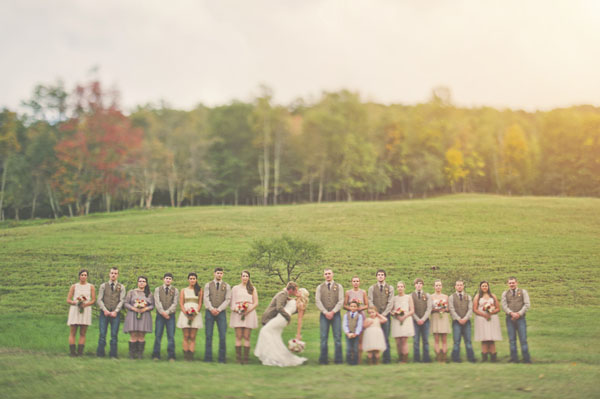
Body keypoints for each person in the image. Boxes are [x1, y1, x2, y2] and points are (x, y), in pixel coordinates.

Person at [254, 286, 309, 367]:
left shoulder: (301, 304)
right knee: (274, 336)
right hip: (280, 317)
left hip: (283, 319)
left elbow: (300, 320)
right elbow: (285, 294)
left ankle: (271, 355)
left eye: (300, 291)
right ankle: (274, 355)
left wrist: (298, 334)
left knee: (265, 331)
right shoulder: (293, 300)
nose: (297, 291)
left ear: (303, 294)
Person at [315, 268, 344, 364]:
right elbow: (317, 301)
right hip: (324, 315)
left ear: (333, 274)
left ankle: (338, 360)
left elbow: (341, 301)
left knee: (337, 337)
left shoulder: (339, 286)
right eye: (326, 274)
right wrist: (325, 312)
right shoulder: (320, 287)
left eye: (329, 273)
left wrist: (333, 312)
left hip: (336, 315)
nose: (327, 275)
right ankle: (323, 360)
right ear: (324, 275)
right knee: (323, 338)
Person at [230, 270, 259, 364]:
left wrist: (247, 311)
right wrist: (238, 310)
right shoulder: (235, 288)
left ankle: (246, 359)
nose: (245, 277)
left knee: (246, 336)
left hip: (249, 313)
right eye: (243, 276)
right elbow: (232, 303)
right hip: (238, 313)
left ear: (249, 277)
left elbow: (256, 303)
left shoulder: (252, 288)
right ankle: (238, 359)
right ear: (241, 277)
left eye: (247, 276)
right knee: (238, 336)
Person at [96, 267, 125, 358]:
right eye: (112, 273)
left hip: (115, 314)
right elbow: (99, 299)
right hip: (104, 313)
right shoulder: (103, 286)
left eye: (115, 273)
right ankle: (100, 354)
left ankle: (113, 354)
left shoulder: (121, 287)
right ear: (109, 274)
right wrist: (104, 310)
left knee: (114, 335)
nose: (113, 275)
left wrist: (116, 311)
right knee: (102, 334)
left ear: (118, 275)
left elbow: (122, 300)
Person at [203, 267, 231, 363]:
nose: (219, 275)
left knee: (222, 336)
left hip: (221, 313)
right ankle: (208, 358)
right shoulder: (208, 285)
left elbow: (227, 299)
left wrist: (218, 309)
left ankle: (222, 359)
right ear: (214, 273)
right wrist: (211, 309)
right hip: (209, 312)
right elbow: (206, 298)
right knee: (208, 335)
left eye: (221, 273)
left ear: (223, 274)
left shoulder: (227, 286)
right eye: (218, 273)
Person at [501, 276, 531, 363]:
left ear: (516, 283)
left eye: (513, 283)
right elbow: (504, 305)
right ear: (508, 284)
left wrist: (519, 313)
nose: (511, 284)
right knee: (512, 340)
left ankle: (526, 359)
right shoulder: (505, 293)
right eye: (510, 283)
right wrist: (511, 313)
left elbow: (527, 304)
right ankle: (514, 359)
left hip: (521, 318)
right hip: (509, 319)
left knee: (523, 339)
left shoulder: (523, 292)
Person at [123, 276, 154, 359]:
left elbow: (152, 305)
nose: (141, 283)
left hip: (144, 316)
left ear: (146, 283)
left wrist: (145, 308)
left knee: (141, 335)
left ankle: (140, 354)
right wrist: (133, 308)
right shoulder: (131, 292)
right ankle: (132, 354)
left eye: (143, 281)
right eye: (140, 281)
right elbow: (126, 303)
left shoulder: (149, 293)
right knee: (133, 334)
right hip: (132, 315)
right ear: (137, 282)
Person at [67, 269, 96, 357]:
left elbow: (93, 300)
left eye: (85, 275)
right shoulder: (74, 286)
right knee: (73, 332)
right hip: (75, 310)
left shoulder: (91, 287)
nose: (83, 276)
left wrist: (85, 304)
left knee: (83, 333)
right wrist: (76, 303)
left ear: (87, 276)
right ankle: (72, 352)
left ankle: (80, 352)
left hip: (85, 310)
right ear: (79, 276)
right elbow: (68, 299)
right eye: (82, 275)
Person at [367, 269, 394, 363]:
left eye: (382, 275)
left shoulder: (390, 288)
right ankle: (374, 358)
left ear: (385, 276)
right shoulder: (372, 288)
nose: (380, 276)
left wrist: (384, 314)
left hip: (386, 316)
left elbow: (390, 302)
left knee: (386, 337)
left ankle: (387, 359)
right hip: (374, 317)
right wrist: (375, 313)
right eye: (379, 275)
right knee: (374, 337)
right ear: (376, 277)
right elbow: (370, 301)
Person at [473, 281, 502, 362]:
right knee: (484, 338)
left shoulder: (493, 296)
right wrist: (484, 315)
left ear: (488, 287)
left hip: (492, 319)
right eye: (483, 286)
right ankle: (484, 357)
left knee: (491, 338)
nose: (484, 287)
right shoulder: (477, 297)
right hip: (482, 319)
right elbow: (475, 309)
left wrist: (491, 312)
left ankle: (493, 357)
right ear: (480, 287)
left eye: (486, 286)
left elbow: (498, 308)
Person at [152, 272, 179, 361]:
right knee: (158, 335)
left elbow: (175, 303)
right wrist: (162, 312)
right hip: (160, 316)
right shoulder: (157, 289)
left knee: (171, 336)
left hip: (170, 316)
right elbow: (157, 302)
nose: (168, 280)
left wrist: (167, 312)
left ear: (172, 280)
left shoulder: (175, 290)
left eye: (170, 279)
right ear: (163, 279)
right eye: (166, 278)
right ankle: (156, 355)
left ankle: (171, 356)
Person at [177, 272, 203, 361]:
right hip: (185, 314)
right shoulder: (183, 290)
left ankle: (191, 356)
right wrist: (186, 313)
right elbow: (181, 303)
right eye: (191, 278)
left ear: (196, 280)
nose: (192, 280)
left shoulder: (199, 290)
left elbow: (200, 303)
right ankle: (185, 356)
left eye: (194, 278)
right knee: (186, 336)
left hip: (195, 314)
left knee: (192, 336)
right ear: (188, 280)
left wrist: (195, 313)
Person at [448, 280, 476, 363]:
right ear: (455, 287)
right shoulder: (451, 297)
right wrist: (458, 319)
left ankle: (471, 358)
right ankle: (455, 358)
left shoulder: (468, 296)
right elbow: (451, 309)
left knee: (468, 341)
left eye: (461, 285)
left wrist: (465, 318)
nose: (459, 286)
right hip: (456, 322)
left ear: (463, 286)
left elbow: (470, 309)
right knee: (456, 341)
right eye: (458, 285)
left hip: (466, 321)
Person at [344, 276, 368, 364]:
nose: (356, 283)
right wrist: (352, 308)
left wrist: (359, 308)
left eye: (357, 281)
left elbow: (367, 305)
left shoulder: (363, 292)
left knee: (360, 339)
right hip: (351, 316)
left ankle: (359, 359)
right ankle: (351, 358)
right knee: (352, 338)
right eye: (354, 281)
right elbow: (344, 305)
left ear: (360, 282)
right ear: (351, 282)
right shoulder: (348, 292)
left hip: (361, 315)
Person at [390, 281, 414, 363]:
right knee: (397, 342)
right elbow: (391, 310)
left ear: (404, 288)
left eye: (401, 286)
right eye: (398, 287)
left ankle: (405, 359)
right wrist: (396, 315)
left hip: (406, 320)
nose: (400, 288)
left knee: (403, 340)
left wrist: (404, 316)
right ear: (397, 288)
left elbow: (412, 310)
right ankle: (399, 358)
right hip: (396, 321)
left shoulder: (408, 297)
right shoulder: (394, 298)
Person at [411, 278, 432, 362]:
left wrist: (423, 319)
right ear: (414, 285)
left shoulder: (427, 295)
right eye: (417, 283)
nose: (418, 285)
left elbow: (429, 308)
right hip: (415, 321)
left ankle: (426, 359)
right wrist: (417, 319)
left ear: (422, 285)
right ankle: (416, 359)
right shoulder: (411, 296)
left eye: (420, 283)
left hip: (425, 321)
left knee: (426, 340)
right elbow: (411, 309)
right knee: (416, 341)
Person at [430, 279, 450, 363]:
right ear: (434, 287)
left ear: (442, 286)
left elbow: (449, 309)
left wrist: (444, 309)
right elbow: (429, 309)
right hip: (435, 317)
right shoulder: (431, 297)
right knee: (436, 339)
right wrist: (435, 309)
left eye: (439, 285)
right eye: (436, 285)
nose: (438, 287)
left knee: (444, 339)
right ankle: (438, 356)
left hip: (444, 317)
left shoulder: (445, 297)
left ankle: (444, 357)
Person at [343, 300, 364, 365]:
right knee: (348, 348)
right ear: (349, 307)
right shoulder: (346, 315)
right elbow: (344, 324)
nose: (353, 308)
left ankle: (355, 362)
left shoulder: (359, 316)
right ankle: (349, 362)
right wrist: (347, 333)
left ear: (357, 307)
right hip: (348, 334)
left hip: (355, 334)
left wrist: (356, 333)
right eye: (351, 306)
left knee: (355, 349)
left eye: (354, 306)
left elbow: (359, 325)